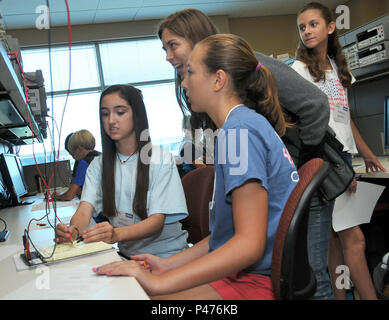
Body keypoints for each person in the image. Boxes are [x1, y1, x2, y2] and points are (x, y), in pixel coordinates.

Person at [93, 34, 298, 300]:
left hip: (255, 282)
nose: (184, 83)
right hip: (246, 274)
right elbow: (226, 238)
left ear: (218, 79)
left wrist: (160, 283)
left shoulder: (239, 132)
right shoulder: (242, 126)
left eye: (190, 72)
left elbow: (248, 245)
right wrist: (168, 265)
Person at [291, 2, 386, 300]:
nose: (307, 31)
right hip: (325, 162)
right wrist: (338, 171)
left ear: (331, 27)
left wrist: (366, 152)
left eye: (313, 24)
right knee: (354, 239)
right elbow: (306, 124)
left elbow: (344, 116)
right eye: (302, 27)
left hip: (343, 158)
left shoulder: (336, 67)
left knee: (336, 240)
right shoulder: (300, 70)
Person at [157, 8, 331, 168]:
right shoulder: (203, 88)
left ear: (196, 39)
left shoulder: (246, 64)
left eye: (173, 45)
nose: (168, 57)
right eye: (165, 49)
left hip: (298, 176)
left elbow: (316, 104)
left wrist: (306, 167)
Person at [56, 85, 189, 258]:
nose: (111, 120)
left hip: (167, 257)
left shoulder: (160, 160)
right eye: (105, 113)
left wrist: (116, 234)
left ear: (137, 115)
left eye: (120, 112)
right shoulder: (98, 166)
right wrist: (72, 231)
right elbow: (84, 210)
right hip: (126, 258)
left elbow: (156, 222)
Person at [55, 129, 101, 201]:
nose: (74, 157)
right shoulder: (102, 156)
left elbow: (69, 196)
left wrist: (56, 196)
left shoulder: (84, 163)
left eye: (73, 153)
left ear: (80, 148)